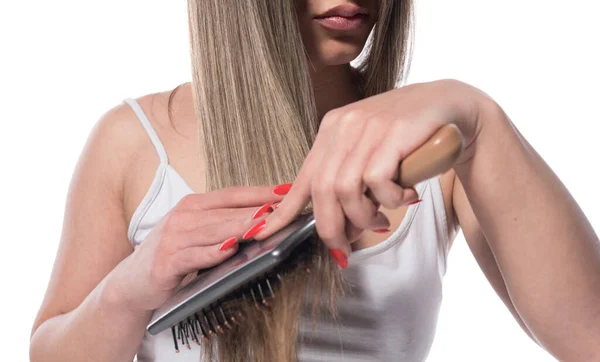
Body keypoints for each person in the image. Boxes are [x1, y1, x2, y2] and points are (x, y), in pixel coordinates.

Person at [29, 0, 600, 361]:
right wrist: (129, 290)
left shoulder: (435, 152)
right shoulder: (131, 143)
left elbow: (589, 341)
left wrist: (476, 115)